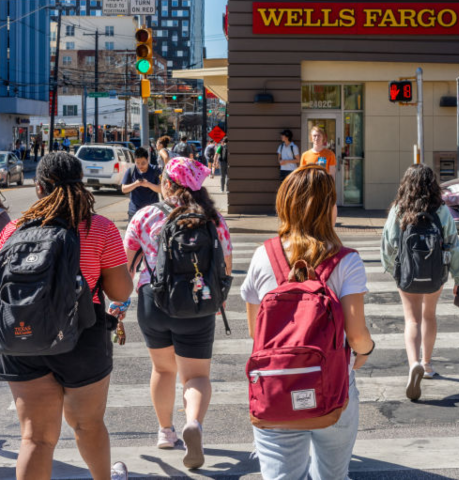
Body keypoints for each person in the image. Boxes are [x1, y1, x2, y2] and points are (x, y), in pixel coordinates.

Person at [0, 151, 134, 480]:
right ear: (82, 183)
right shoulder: (98, 228)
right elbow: (120, 292)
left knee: (35, 438)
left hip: (22, 337)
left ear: (39, 188)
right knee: (87, 425)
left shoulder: (12, 230)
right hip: (81, 336)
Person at [241, 164, 373, 480]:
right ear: (328, 207)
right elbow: (357, 337)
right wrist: (366, 353)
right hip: (333, 386)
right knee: (332, 476)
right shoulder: (346, 261)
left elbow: (254, 333)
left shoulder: (264, 256)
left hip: (275, 387)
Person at [124, 157, 232, 470]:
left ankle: (165, 432)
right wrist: (217, 298)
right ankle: (194, 425)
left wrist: (119, 302)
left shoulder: (146, 215)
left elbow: (127, 261)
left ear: (168, 183)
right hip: (198, 302)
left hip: (152, 301)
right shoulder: (213, 219)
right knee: (196, 375)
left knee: (162, 370)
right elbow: (225, 265)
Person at [381, 164, 459, 399]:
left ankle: (413, 364)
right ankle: (427, 365)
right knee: (429, 315)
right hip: (435, 273)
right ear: (432, 185)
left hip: (407, 275)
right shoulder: (441, 210)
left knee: (412, 319)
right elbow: (453, 244)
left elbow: (388, 243)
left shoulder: (399, 209)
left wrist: (393, 270)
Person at [121, 147, 162, 221]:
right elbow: (123, 189)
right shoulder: (131, 171)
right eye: (137, 163)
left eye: (143, 163)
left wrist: (148, 184)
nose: (140, 166)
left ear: (148, 159)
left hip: (151, 211)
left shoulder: (155, 170)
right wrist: (135, 184)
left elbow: (161, 189)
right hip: (134, 211)